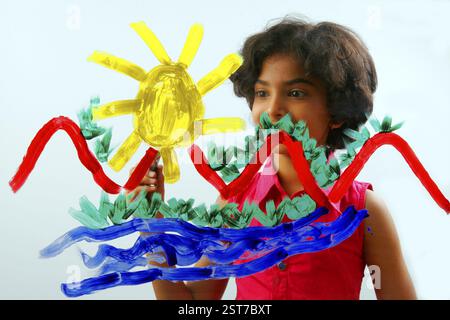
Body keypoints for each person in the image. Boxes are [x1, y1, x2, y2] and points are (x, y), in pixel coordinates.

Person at [130, 16, 417, 300]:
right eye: (262, 93)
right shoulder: (235, 202)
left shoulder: (364, 209)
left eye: (295, 93)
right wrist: (149, 225)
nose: (273, 110)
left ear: (337, 113)